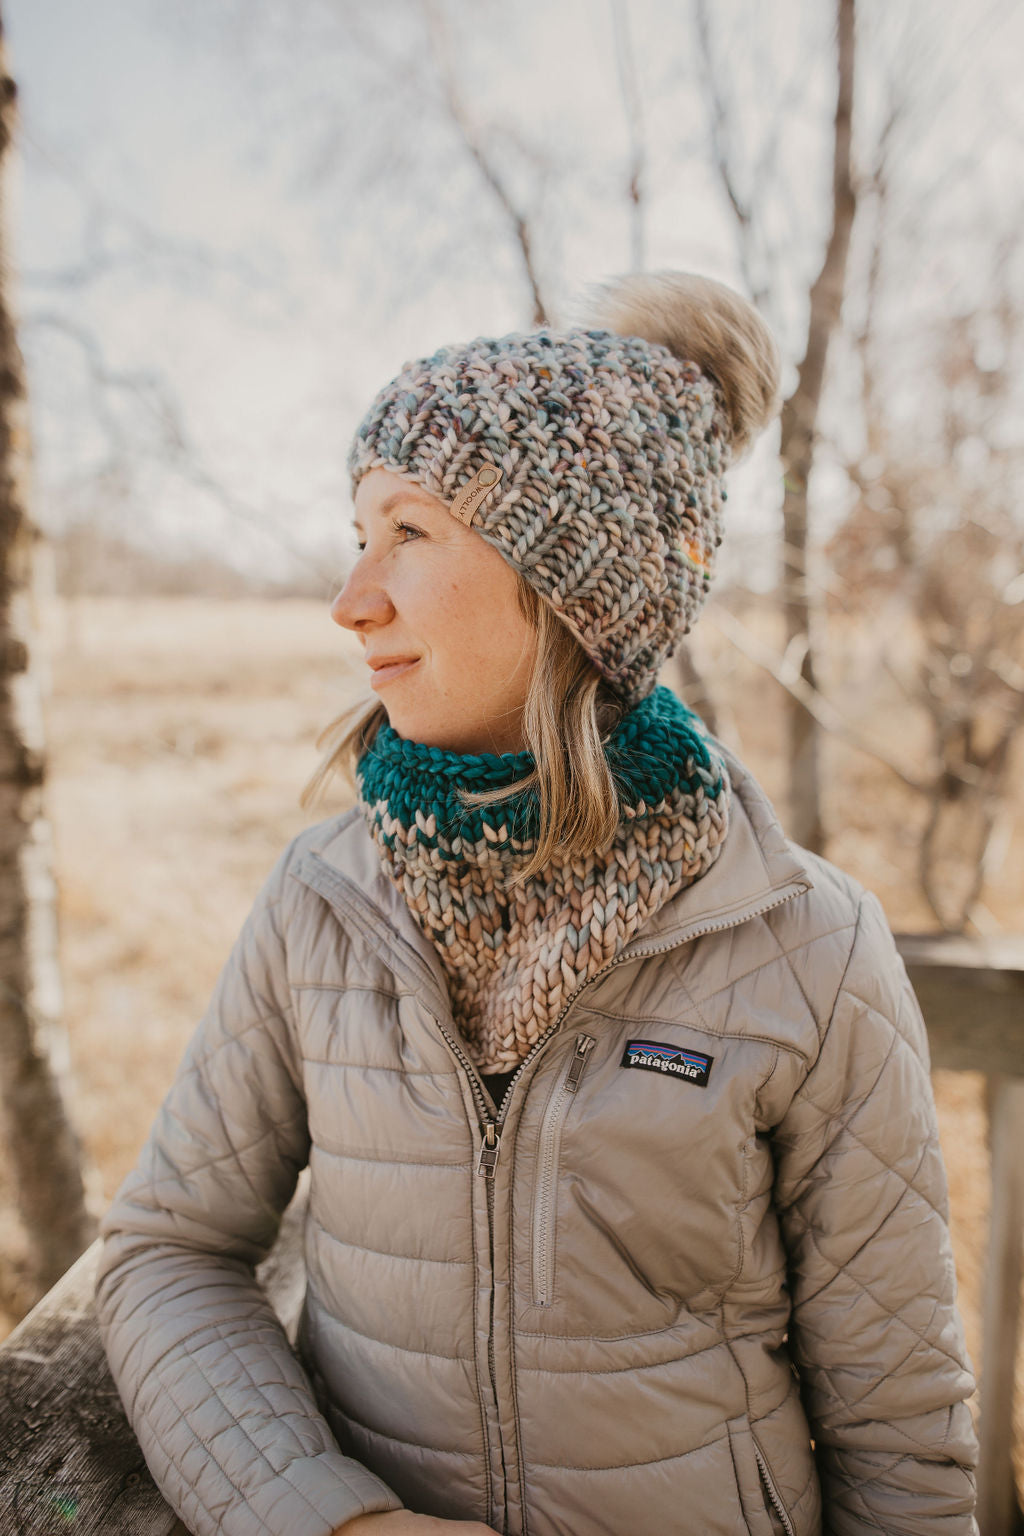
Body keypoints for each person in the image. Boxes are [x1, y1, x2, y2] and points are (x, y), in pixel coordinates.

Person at [95, 272, 979, 1536]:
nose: (352, 598)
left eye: (409, 532)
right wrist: (323, 1517)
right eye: (358, 535)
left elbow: (899, 1431)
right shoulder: (322, 901)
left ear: (577, 579)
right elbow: (170, 1252)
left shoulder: (806, 942)